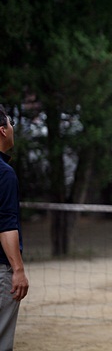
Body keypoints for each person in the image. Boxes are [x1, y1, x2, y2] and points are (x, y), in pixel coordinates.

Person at [0, 106, 29, 350]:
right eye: (11, 124)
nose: (12, 130)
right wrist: (17, 270)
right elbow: (6, 225)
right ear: (2, 130)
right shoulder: (4, 174)